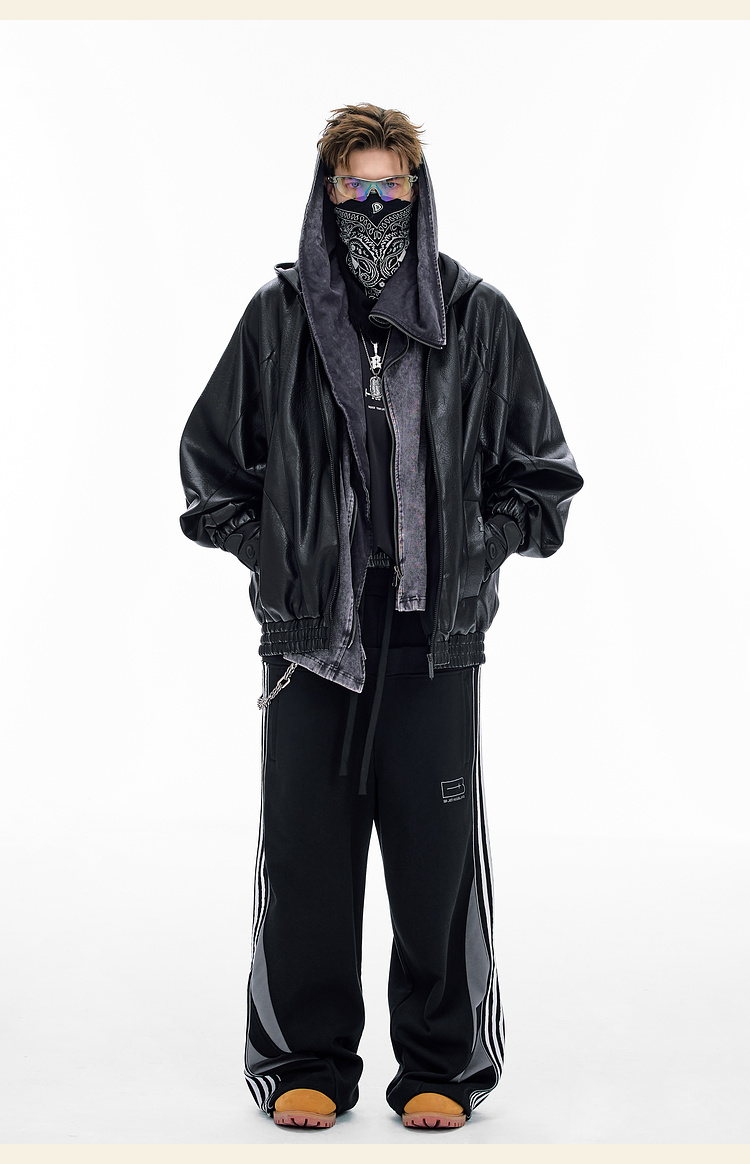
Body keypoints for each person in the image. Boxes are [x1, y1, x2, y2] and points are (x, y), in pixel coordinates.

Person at [178, 102, 584, 1132]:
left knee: (435, 868)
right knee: (306, 859)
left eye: (389, 186)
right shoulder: (277, 319)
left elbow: (543, 476)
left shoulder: (476, 315)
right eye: (355, 186)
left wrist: (477, 549)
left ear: (417, 190)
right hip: (311, 640)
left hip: (433, 639)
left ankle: (441, 1064)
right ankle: (305, 1060)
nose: (372, 205)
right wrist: (280, 553)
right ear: (327, 193)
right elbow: (210, 469)